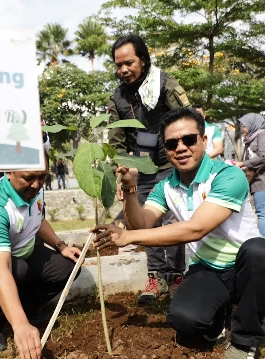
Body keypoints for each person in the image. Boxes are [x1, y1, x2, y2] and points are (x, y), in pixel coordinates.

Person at [92, 107, 265, 359]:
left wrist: (127, 237)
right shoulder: (166, 186)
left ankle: (244, 340)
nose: (180, 148)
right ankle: (221, 315)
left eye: (189, 140)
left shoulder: (228, 175)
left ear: (204, 141)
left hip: (245, 266)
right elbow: (142, 223)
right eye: (171, 144)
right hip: (208, 268)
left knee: (260, 251)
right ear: (166, 150)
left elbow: (195, 229)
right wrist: (131, 189)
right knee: (185, 321)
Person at [0, 152, 81, 359]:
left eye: (42, 177)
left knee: (69, 266)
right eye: (29, 177)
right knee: (16, 269)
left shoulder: (32, 191)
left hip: (18, 256)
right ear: (9, 171)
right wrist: (20, 325)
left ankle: (23, 307)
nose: (36, 184)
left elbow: (37, 221)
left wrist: (61, 246)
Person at [107, 34, 189, 304]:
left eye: (129, 62)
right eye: (118, 65)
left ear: (142, 59)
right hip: (139, 170)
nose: (123, 70)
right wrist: (122, 173)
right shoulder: (118, 97)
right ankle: (155, 278)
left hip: (170, 165)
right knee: (145, 226)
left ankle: (177, 277)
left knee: (174, 221)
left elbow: (187, 120)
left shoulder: (165, 84)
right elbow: (116, 140)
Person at [236, 113, 265, 237]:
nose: (242, 129)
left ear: (253, 124)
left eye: (244, 126)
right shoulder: (254, 137)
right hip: (262, 180)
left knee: (264, 214)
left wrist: (242, 164)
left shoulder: (264, 136)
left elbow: (263, 157)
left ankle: (264, 242)